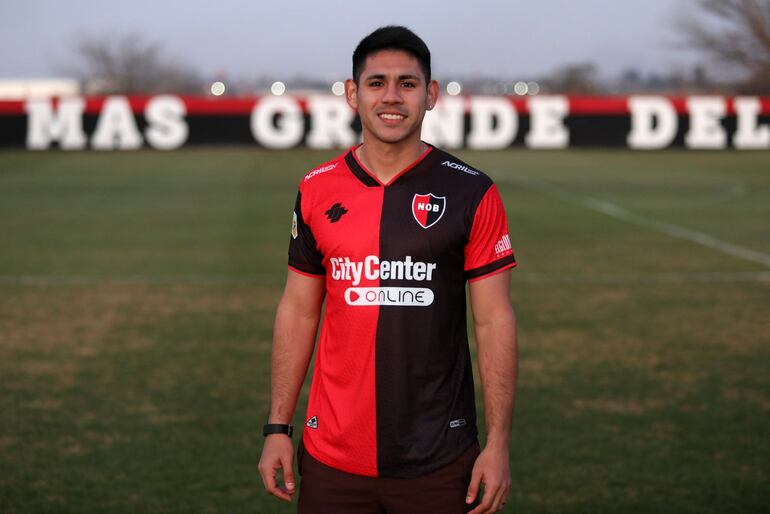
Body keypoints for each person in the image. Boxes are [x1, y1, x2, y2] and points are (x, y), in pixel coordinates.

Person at [258, 25, 518, 514]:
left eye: (408, 83)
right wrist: (277, 427)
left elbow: (494, 321)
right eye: (376, 83)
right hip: (332, 458)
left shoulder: (472, 191)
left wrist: (498, 442)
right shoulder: (316, 188)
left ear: (431, 95)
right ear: (352, 94)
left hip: (439, 459)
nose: (392, 97)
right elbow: (298, 311)